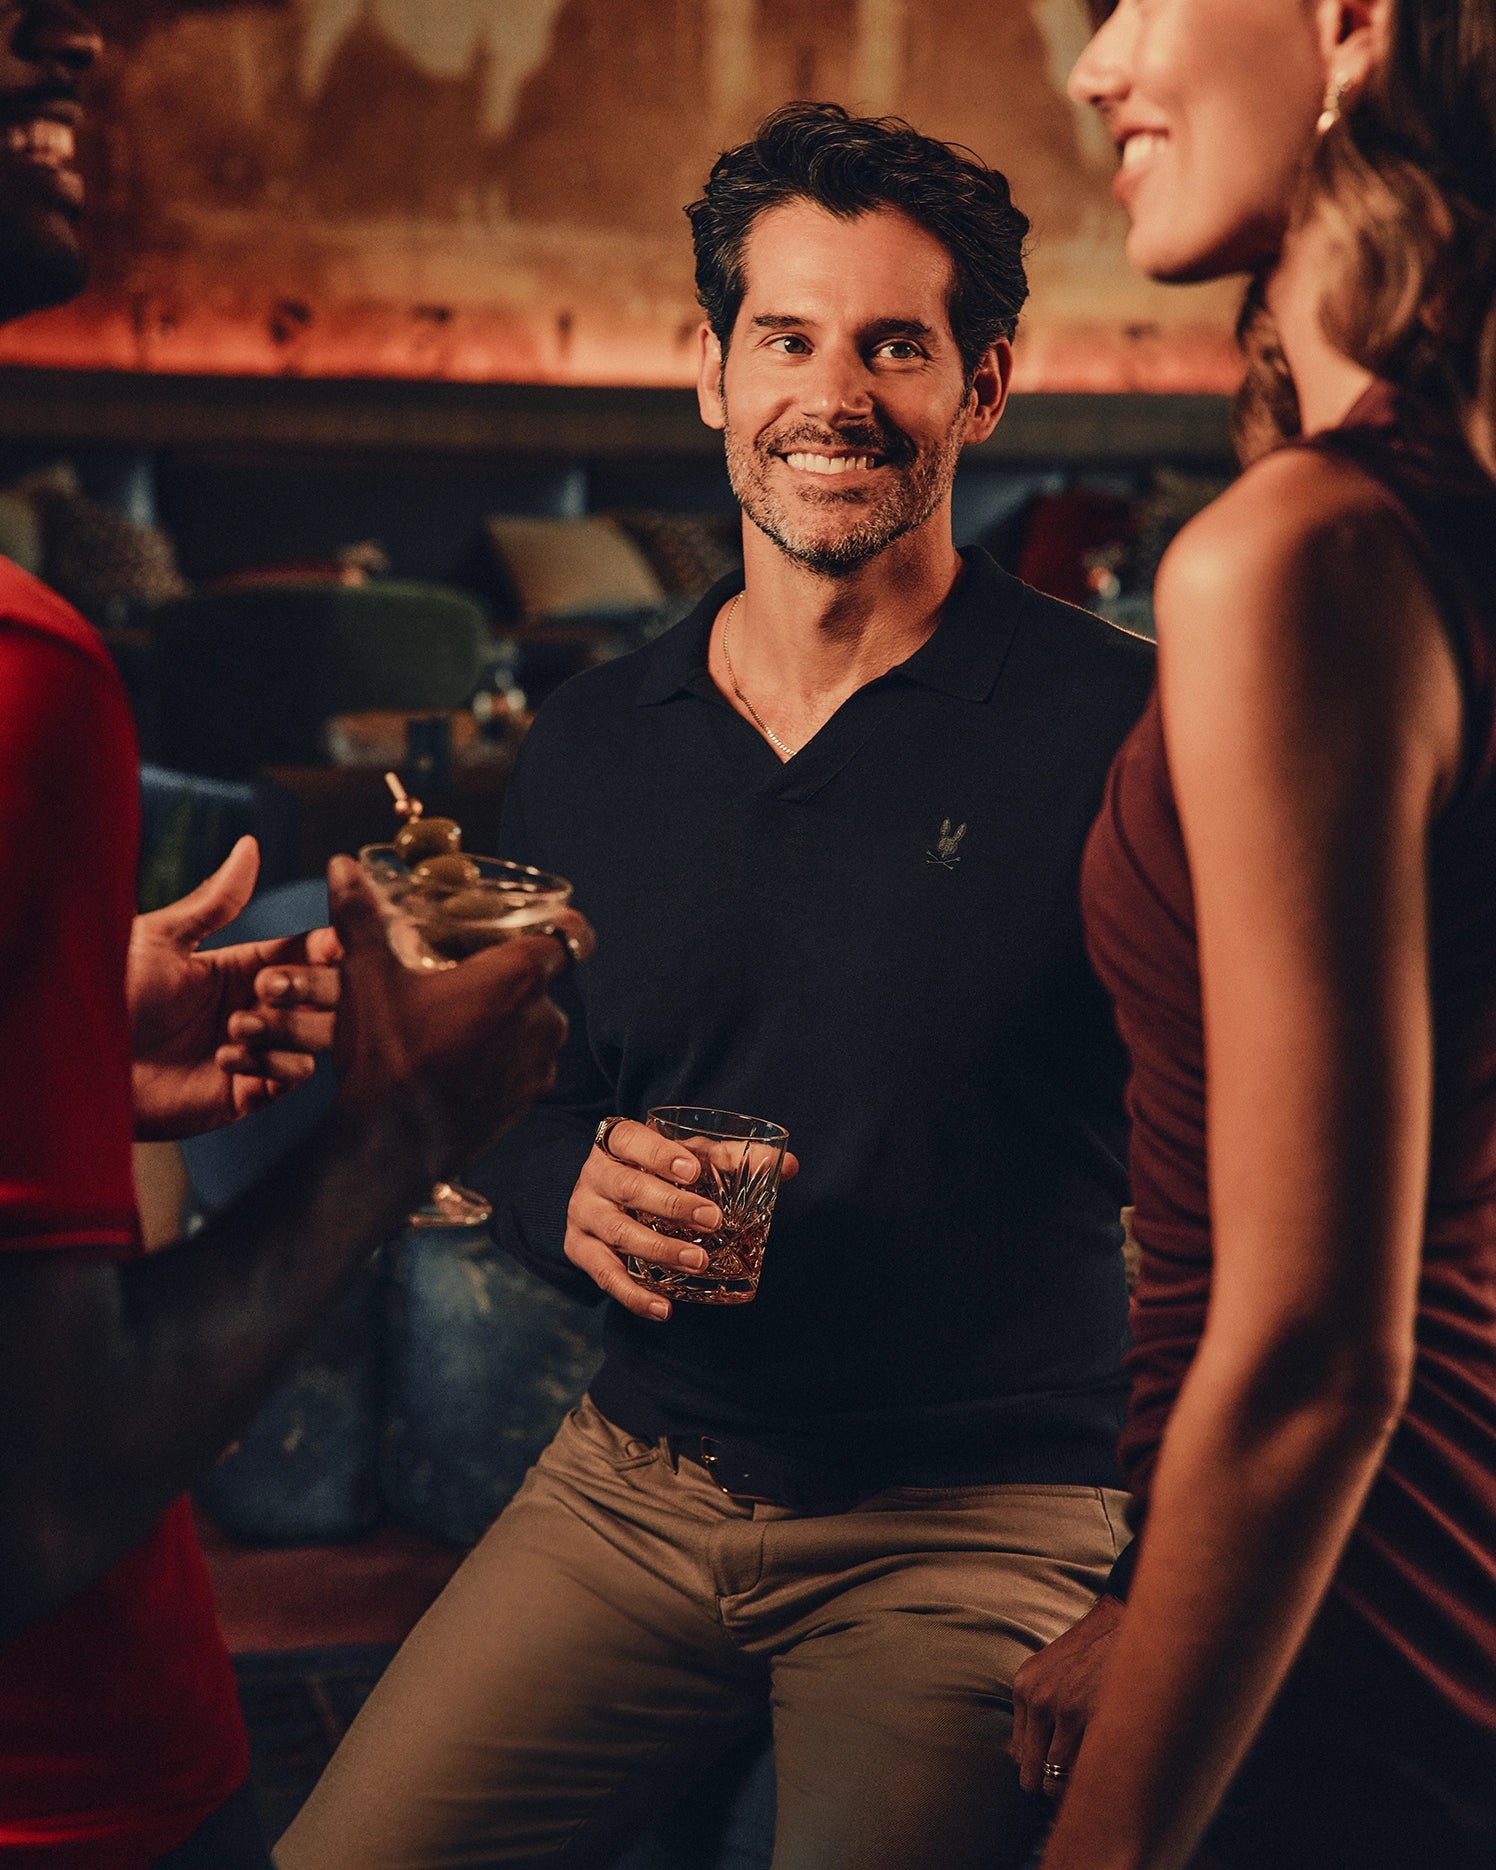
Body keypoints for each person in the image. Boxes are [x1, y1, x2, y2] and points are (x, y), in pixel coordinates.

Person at [277, 103, 1154, 1870]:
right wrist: (559, 1187)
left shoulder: (1123, 731)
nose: (835, 395)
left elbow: (1280, 1197)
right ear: (710, 369)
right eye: (789, 337)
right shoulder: (597, 743)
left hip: (979, 1520)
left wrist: (1170, 1592)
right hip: (633, 1478)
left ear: (983, 388)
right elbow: (525, 1100)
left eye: (895, 345)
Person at [0, 6, 591, 1866]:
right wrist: (393, 1132)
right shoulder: (24, 676)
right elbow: (42, 1496)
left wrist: (66, 1049)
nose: (75, 33)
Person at [1006, 3, 1496, 1867]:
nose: (1095, 69)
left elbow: (1308, 1350)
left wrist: (1109, 1837)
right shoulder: (1440, 521)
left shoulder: (1299, 558)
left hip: (1344, 1640)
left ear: (1350, 28)